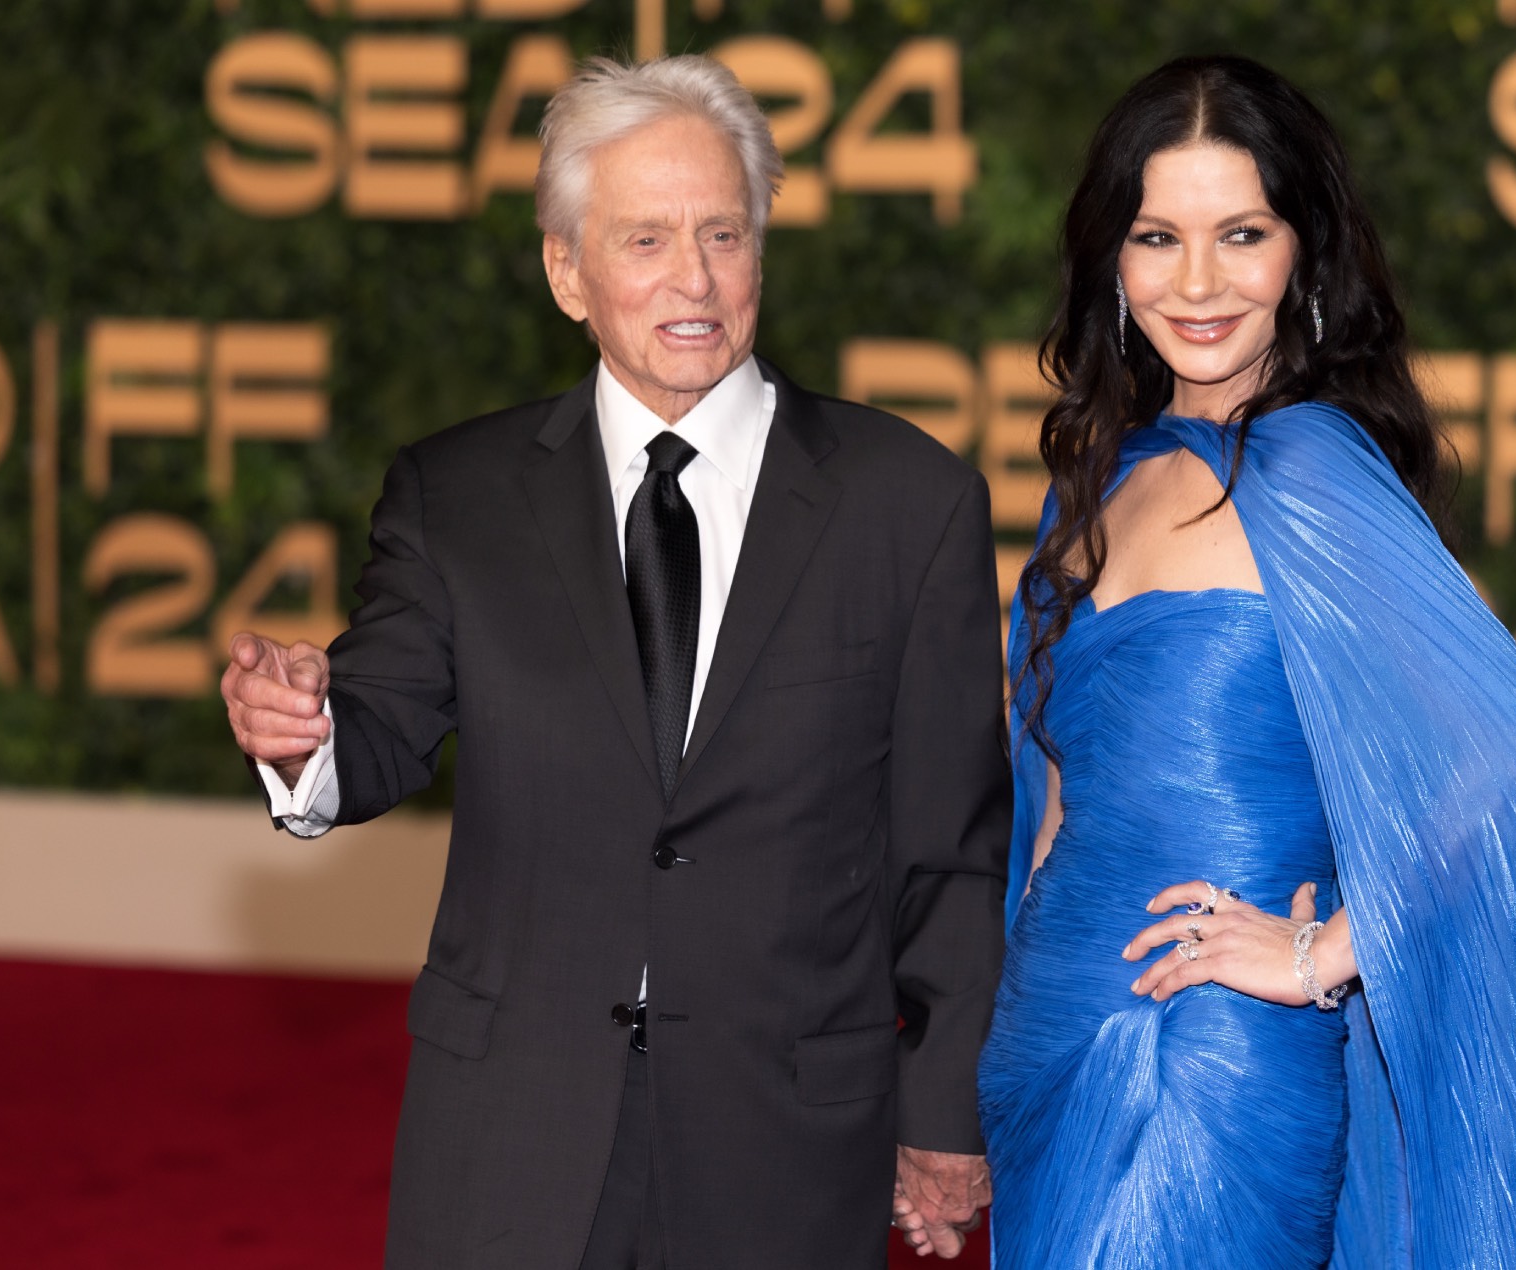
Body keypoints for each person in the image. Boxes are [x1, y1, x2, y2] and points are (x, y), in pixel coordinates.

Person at [218, 54, 1007, 1270]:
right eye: (645, 239)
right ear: (565, 269)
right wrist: (308, 735)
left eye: (723, 235)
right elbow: (378, 720)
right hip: (512, 1128)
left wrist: (944, 1109)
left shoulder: (909, 503)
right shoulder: (457, 494)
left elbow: (950, 849)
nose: (693, 279)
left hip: (784, 1141)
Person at [970, 56, 1516, 1267]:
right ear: (1110, 258)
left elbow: (1511, 767)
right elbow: (1057, 801)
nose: (1198, 281)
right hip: (1049, 1042)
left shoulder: (1306, 469)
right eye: (1157, 235)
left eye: (1242, 233)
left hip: (1210, 1059)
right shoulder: (1107, 480)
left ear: (1301, 256)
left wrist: (1319, 954)